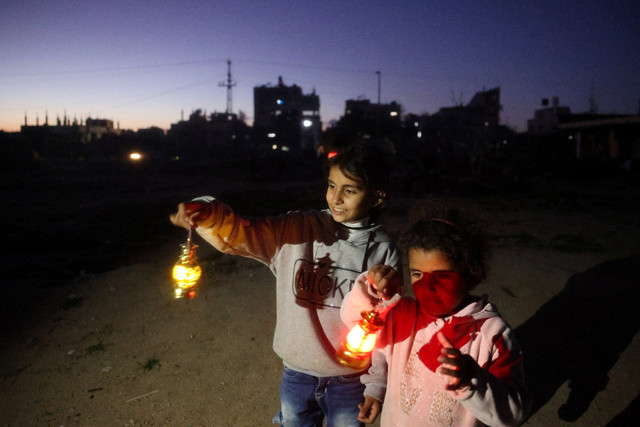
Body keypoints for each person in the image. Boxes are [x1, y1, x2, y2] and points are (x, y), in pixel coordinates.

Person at [170, 143, 402, 427]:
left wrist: (376, 385)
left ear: (377, 196)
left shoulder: (384, 252)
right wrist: (207, 213)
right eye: (331, 185)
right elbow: (244, 233)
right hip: (296, 375)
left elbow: (386, 327)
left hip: (351, 381)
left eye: (350, 190)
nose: (336, 198)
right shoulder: (297, 229)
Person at [341, 206, 531, 426]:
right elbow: (356, 324)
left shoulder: (492, 334)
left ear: (473, 274)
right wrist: (371, 293)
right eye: (417, 273)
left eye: (441, 276)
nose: (427, 287)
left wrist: (471, 380)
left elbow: (514, 413)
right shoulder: (403, 315)